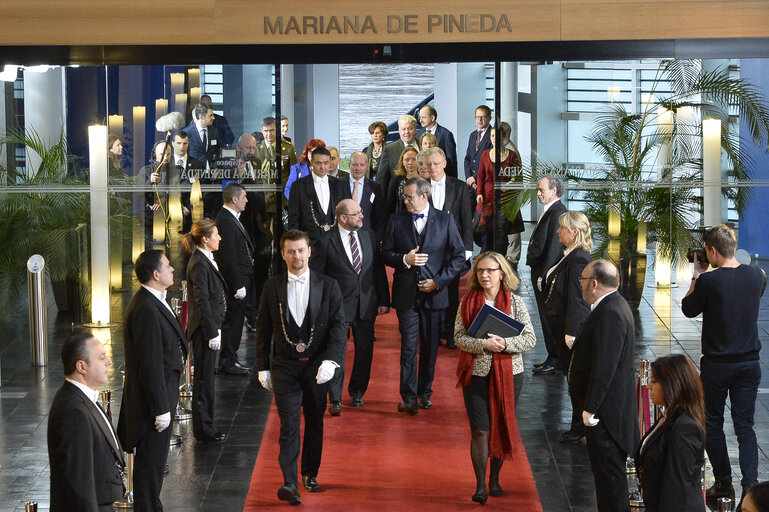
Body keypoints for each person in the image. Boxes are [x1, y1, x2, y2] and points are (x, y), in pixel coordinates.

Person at [254, 230, 347, 505]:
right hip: (284, 367)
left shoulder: (328, 286)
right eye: (291, 251)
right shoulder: (271, 286)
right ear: (282, 254)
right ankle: (290, 482)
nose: (296, 256)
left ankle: (309, 473)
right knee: (289, 425)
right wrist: (262, 366)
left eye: (301, 250)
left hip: (317, 366)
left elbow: (339, 327)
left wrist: (331, 360)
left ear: (310, 252)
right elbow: (263, 328)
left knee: (315, 422)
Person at [681, 224, 764, 509]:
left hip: (717, 366)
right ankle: (750, 487)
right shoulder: (757, 275)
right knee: (746, 427)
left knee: (713, 424)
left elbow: (688, 308)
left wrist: (697, 275)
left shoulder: (709, 282)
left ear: (712, 251)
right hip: (749, 364)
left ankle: (723, 480)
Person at [454, 252, 536, 504]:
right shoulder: (467, 302)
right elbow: (458, 337)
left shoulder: (516, 303)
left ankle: (495, 478)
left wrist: (504, 343)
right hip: (476, 374)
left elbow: (530, 339)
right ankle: (480, 485)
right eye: (480, 271)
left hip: (510, 374)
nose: (484, 275)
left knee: (500, 424)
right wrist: (483, 344)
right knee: (480, 430)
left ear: (502, 273)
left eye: (490, 270)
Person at [382, 177, 465, 414]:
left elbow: (459, 257)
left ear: (424, 197)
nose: (405, 200)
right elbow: (385, 253)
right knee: (408, 347)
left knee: (430, 347)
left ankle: (424, 393)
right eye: (404, 197)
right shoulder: (396, 220)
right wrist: (404, 260)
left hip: (434, 296)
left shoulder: (446, 220)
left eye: (409, 197)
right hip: (406, 295)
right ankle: (408, 398)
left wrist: (438, 282)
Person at [117, 250, 188, 512]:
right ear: (156, 274)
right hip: (151, 407)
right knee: (149, 469)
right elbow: (149, 363)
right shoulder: (146, 307)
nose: (172, 269)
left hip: (162, 397)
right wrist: (160, 408)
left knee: (155, 469)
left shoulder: (154, 300)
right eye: (168, 266)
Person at [569, 259, 638, 512]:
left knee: (610, 483)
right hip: (607, 414)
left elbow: (604, 367)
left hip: (606, 418)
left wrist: (590, 408)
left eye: (583, 281)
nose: (581, 285)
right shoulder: (613, 306)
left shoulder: (609, 312)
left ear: (594, 283)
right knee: (607, 482)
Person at [319, 199, 390, 414]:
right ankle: (335, 398)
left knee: (364, 351)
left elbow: (377, 269)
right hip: (338, 307)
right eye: (356, 214)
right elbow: (319, 277)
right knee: (336, 351)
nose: (362, 216)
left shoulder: (368, 235)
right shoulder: (325, 241)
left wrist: (384, 300)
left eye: (360, 212)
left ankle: (357, 392)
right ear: (343, 218)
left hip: (366, 303)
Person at [48, 332, 125, 512]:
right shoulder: (73, 410)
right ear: (81, 366)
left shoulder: (82, 398)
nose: (109, 362)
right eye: (101, 358)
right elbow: (79, 482)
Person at [542, 211, 592, 443]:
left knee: (575, 378)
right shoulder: (569, 254)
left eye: (562, 228)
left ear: (574, 232)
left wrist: (571, 331)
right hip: (559, 325)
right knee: (572, 376)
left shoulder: (579, 258)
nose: (558, 231)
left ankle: (579, 426)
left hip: (568, 329)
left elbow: (577, 299)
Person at [633, 354, 706, 512]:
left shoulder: (685, 427)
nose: (648, 387)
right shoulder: (668, 417)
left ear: (671, 385)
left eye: (654, 382)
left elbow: (677, 486)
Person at [182, 219, 228, 443]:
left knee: (207, 380)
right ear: (205, 239)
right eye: (216, 234)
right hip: (204, 331)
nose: (219, 238)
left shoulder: (205, 259)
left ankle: (207, 426)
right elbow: (201, 301)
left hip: (209, 328)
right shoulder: (199, 263)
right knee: (203, 382)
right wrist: (212, 332)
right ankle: (204, 429)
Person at [425, 147, 474, 348]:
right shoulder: (421, 186)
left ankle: (450, 332)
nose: (433, 167)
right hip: (427, 251)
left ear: (444, 163)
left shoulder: (460, 187)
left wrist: (467, 250)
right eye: (429, 164)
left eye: (436, 163)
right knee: (430, 291)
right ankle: (433, 333)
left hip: (452, 250)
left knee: (452, 293)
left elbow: (466, 220)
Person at [527, 175, 567, 374]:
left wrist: (545, 276)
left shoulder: (558, 212)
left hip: (545, 274)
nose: (538, 193)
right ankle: (553, 357)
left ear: (554, 191)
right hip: (540, 271)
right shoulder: (550, 210)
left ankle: (556, 358)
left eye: (541, 190)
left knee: (548, 317)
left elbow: (554, 247)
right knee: (545, 317)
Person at [213, 183, 254, 376]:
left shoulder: (230, 218)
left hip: (242, 279)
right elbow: (227, 256)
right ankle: (227, 361)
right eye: (244, 197)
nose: (247, 200)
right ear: (235, 199)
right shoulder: (225, 221)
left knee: (237, 321)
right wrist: (237, 285)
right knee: (233, 322)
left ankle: (231, 359)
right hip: (236, 283)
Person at [475, 123, 525, 258]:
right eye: (491, 136)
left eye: (496, 136)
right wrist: (479, 193)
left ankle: (501, 260)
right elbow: (480, 176)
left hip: (504, 199)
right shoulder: (485, 154)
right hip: (487, 197)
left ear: (503, 137)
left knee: (502, 233)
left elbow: (518, 177)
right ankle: (486, 259)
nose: (493, 138)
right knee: (486, 233)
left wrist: (507, 187)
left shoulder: (512, 155)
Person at [287, 146, 342, 269]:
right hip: (310, 247)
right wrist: (296, 246)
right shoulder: (298, 186)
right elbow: (293, 219)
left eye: (326, 163)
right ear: (311, 163)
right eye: (318, 163)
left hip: (335, 245)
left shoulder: (339, 185)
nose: (323, 167)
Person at [337, 151, 387, 241]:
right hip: (342, 237)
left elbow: (380, 217)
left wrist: (376, 239)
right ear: (349, 165)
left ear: (367, 166)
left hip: (367, 239)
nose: (358, 168)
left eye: (362, 165)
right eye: (355, 165)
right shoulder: (338, 184)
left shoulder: (375, 187)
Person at [376, 114, 419, 194]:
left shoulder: (424, 146)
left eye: (410, 128)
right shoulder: (389, 149)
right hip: (397, 199)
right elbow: (382, 179)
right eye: (404, 129)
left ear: (416, 129)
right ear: (399, 130)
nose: (407, 132)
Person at [417, 105, 458, 178]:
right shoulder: (419, 134)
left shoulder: (446, 134)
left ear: (432, 118)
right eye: (420, 117)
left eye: (423, 117)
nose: (420, 120)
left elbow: (452, 162)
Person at [385, 146, 420, 218]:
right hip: (401, 220)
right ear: (402, 162)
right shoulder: (396, 180)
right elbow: (390, 205)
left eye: (414, 159)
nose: (410, 162)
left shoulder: (424, 180)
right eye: (407, 160)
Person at [464, 105, 493, 189]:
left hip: (484, 182)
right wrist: (469, 178)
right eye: (477, 117)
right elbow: (467, 159)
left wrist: (474, 177)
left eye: (483, 117)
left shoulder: (493, 135)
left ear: (490, 118)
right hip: (470, 184)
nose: (480, 120)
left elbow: (490, 162)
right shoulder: (472, 135)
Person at [182, 103, 219, 168]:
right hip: (194, 172)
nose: (213, 118)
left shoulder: (214, 132)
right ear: (201, 117)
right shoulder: (187, 133)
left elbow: (217, 150)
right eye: (210, 115)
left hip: (211, 174)